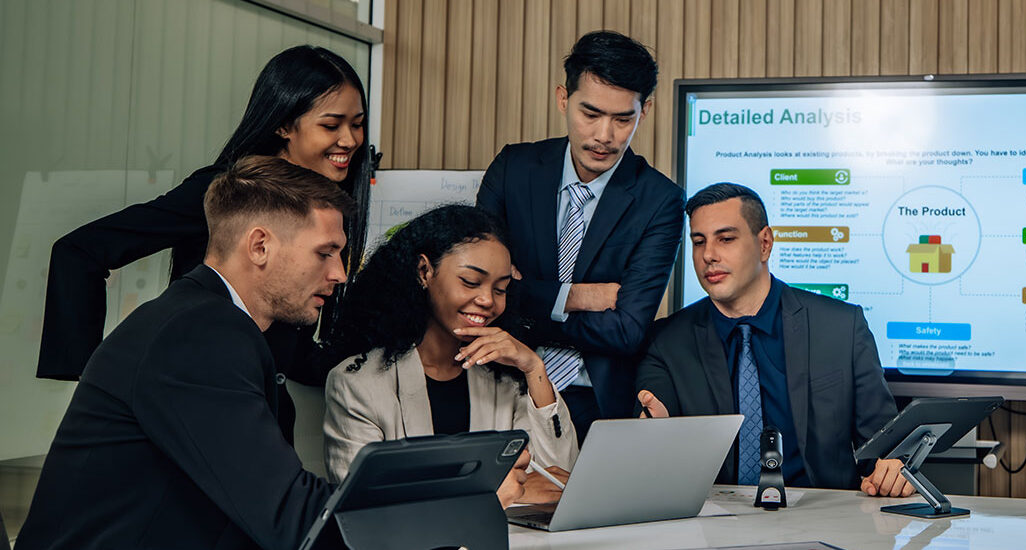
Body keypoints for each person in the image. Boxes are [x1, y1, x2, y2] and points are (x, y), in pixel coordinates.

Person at [35, 45, 371, 444]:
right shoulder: (231, 191)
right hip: (205, 416)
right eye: (331, 125)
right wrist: (100, 380)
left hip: (263, 415)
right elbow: (79, 251)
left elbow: (290, 352)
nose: (349, 140)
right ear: (284, 124)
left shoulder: (325, 205)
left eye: (357, 124)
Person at [17, 156, 352, 550]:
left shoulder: (200, 319)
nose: (340, 273)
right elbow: (287, 514)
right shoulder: (199, 334)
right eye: (325, 253)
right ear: (260, 246)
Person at [635, 183, 915, 498]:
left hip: (825, 512)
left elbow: (887, 448)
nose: (708, 255)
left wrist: (894, 468)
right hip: (713, 516)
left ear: (765, 243)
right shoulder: (667, 341)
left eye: (726, 239)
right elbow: (651, 453)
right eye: (698, 242)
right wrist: (654, 436)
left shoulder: (842, 327)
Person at [476, 31, 685, 440]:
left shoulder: (661, 200)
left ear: (644, 111)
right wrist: (574, 296)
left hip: (596, 403)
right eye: (590, 113)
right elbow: (477, 290)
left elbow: (627, 330)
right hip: (498, 387)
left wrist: (523, 299)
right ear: (563, 99)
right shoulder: (513, 169)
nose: (605, 135)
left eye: (623, 119)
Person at [320, 205, 577, 505]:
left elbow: (556, 482)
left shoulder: (507, 379)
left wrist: (534, 368)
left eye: (501, 289)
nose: (487, 300)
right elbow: (365, 507)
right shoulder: (358, 384)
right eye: (470, 282)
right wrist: (490, 493)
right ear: (424, 272)